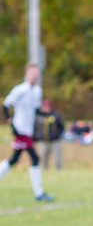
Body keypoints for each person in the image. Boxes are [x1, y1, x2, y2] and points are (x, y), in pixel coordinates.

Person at [0, 63, 54, 201]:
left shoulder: (37, 91)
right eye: (33, 73)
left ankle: (39, 193)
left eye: (37, 73)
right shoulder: (20, 89)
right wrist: (11, 123)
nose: (35, 76)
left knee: (14, 160)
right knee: (35, 158)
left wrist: (46, 115)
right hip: (20, 129)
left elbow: (36, 110)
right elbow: (6, 105)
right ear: (27, 74)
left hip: (28, 131)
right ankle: (39, 193)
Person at [34, 99, 65, 170]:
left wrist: (56, 135)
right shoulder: (38, 116)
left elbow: (61, 127)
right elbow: (35, 128)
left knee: (57, 158)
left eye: (48, 107)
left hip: (55, 141)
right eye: (44, 107)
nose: (46, 108)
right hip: (43, 141)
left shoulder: (56, 115)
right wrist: (36, 137)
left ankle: (59, 171)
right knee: (42, 158)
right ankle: (44, 172)